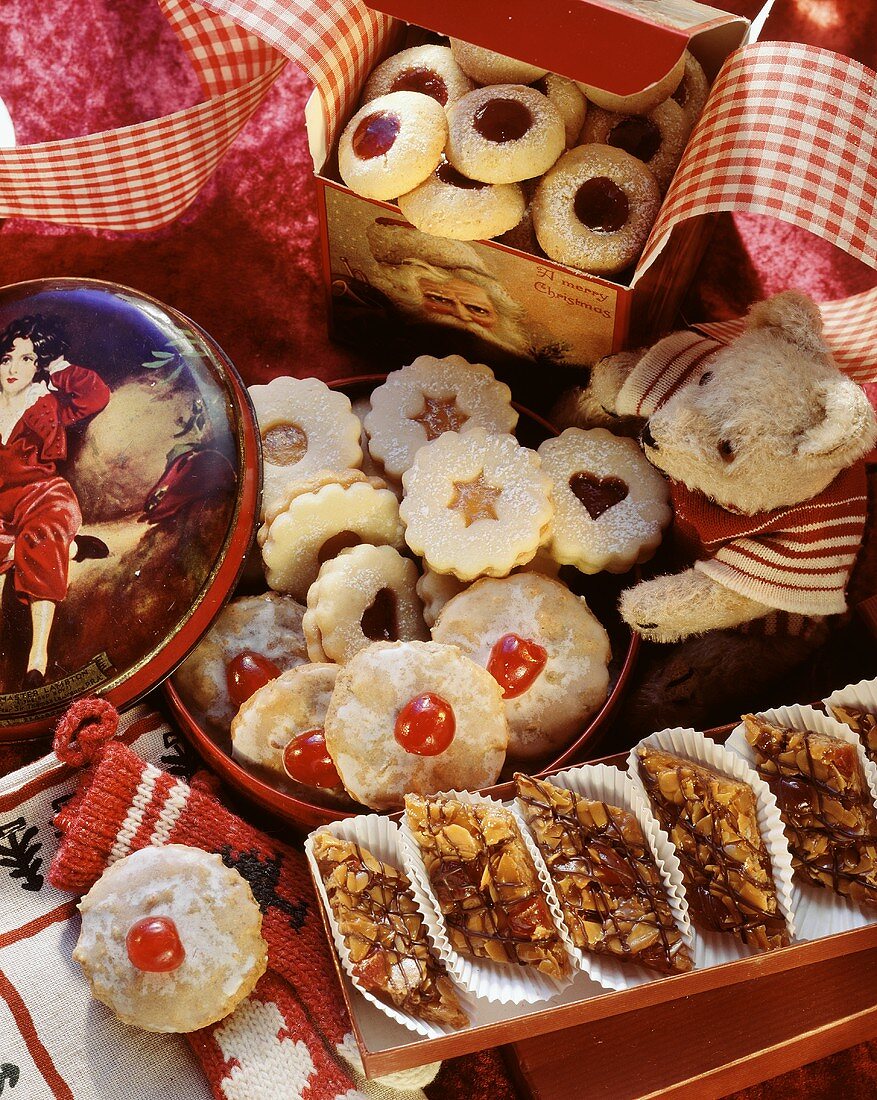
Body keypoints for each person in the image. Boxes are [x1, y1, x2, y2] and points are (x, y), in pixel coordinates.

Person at [0, 315, 111, 689]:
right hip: (0, 506)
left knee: (41, 535)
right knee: (17, 547)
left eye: (27, 359)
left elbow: (96, 395)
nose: (13, 368)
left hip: (41, 496)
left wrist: (57, 367)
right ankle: (73, 546)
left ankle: (37, 658)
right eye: (7, 358)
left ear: (39, 365)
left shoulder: (48, 405)